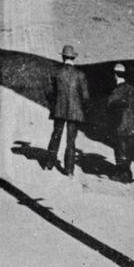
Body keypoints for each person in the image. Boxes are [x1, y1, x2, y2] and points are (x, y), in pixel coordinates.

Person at [45, 44, 90, 175]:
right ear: (73, 58)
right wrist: (81, 107)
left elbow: (48, 93)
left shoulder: (56, 73)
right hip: (75, 112)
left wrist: (54, 104)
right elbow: (86, 97)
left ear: (63, 57)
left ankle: (49, 163)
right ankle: (69, 170)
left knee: (56, 135)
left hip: (59, 110)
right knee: (71, 140)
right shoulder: (80, 75)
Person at [107, 62, 134, 182]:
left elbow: (109, 105)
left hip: (119, 124)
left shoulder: (116, 91)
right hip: (131, 124)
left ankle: (122, 174)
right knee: (129, 150)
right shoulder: (132, 89)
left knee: (120, 149)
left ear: (115, 75)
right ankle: (128, 173)